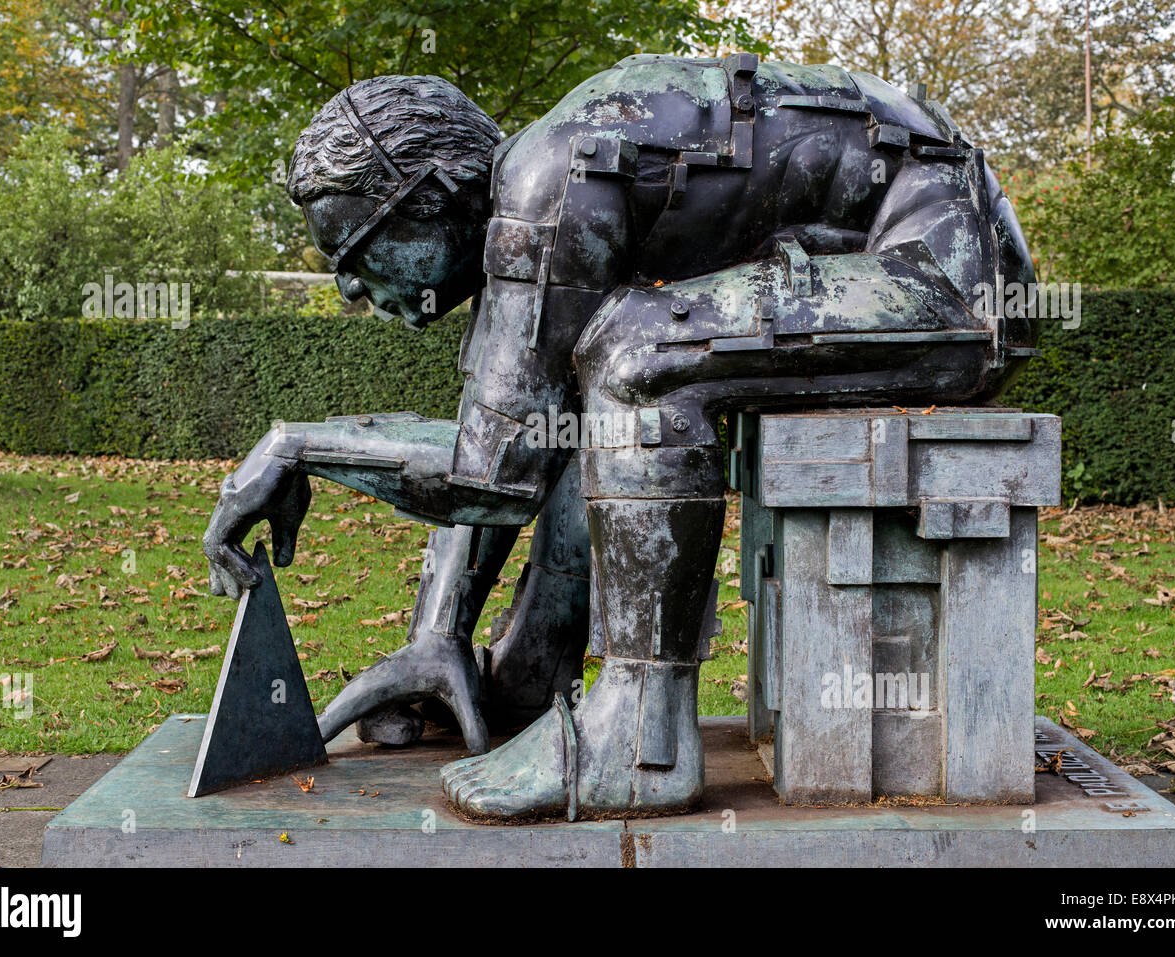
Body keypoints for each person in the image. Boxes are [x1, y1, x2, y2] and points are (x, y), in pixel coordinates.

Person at [203, 54, 1039, 820]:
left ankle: (643, 738)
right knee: (594, 367)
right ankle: (531, 674)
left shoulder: (547, 181)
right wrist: (438, 631)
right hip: (914, 252)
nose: (350, 285)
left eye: (355, 250)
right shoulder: (549, 170)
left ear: (428, 195)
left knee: (636, 354)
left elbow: (487, 476)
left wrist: (297, 444)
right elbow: (515, 437)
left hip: (951, 279)